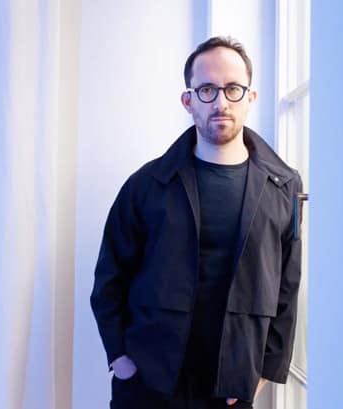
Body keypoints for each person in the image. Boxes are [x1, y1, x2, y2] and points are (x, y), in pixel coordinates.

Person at [90, 36, 304, 409]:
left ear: (250, 97)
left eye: (233, 89)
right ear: (188, 101)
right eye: (207, 90)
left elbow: (287, 285)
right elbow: (109, 278)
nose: (221, 102)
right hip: (147, 385)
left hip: (231, 389)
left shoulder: (283, 186)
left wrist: (264, 373)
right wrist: (121, 360)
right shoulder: (147, 185)